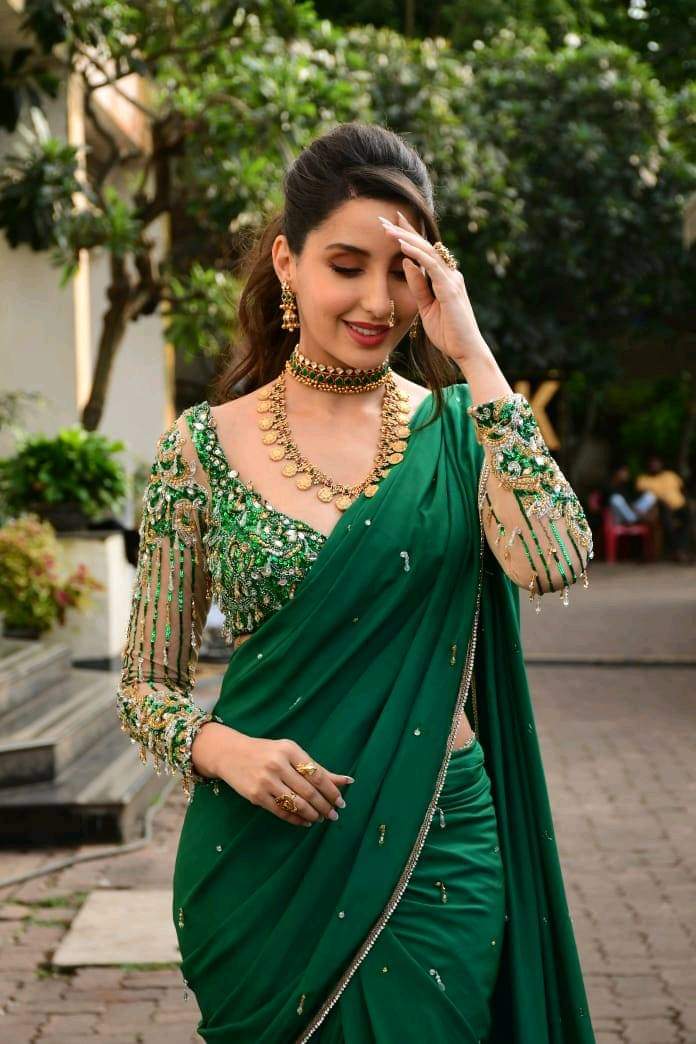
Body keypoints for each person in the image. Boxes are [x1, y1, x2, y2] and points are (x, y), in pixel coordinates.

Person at [117, 122, 596, 1043]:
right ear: (287, 263)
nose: (378, 302)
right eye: (346, 266)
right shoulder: (200, 449)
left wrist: (475, 355)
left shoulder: (462, 434)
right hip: (262, 851)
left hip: (433, 845)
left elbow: (554, 558)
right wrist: (224, 750)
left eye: (402, 273)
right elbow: (146, 688)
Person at [635, 455, 690, 561]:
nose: (654, 465)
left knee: (688, 519)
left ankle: (681, 550)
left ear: (661, 464)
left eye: (657, 463)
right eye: (652, 463)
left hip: (680, 507)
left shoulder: (670, 475)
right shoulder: (643, 479)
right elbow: (645, 499)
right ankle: (679, 552)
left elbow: (683, 490)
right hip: (660, 509)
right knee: (667, 520)